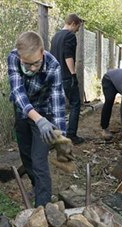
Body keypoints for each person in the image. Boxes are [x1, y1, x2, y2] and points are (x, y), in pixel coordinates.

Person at [7, 31, 66, 207]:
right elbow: (17, 92)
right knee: (26, 154)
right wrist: (36, 119)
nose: (32, 68)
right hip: (22, 110)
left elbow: (57, 102)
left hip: (44, 112)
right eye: (27, 64)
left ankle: (44, 206)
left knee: (39, 159)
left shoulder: (53, 66)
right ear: (19, 56)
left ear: (42, 52)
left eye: (36, 63)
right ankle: (36, 185)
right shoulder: (13, 58)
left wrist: (60, 136)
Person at [50, 13, 85, 145]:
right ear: (73, 23)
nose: (77, 30)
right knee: (75, 104)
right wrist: (73, 74)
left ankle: (55, 135)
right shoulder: (70, 36)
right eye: (78, 27)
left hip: (55, 76)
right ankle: (72, 135)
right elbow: (68, 56)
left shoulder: (55, 36)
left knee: (57, 106)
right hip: (66, 76)